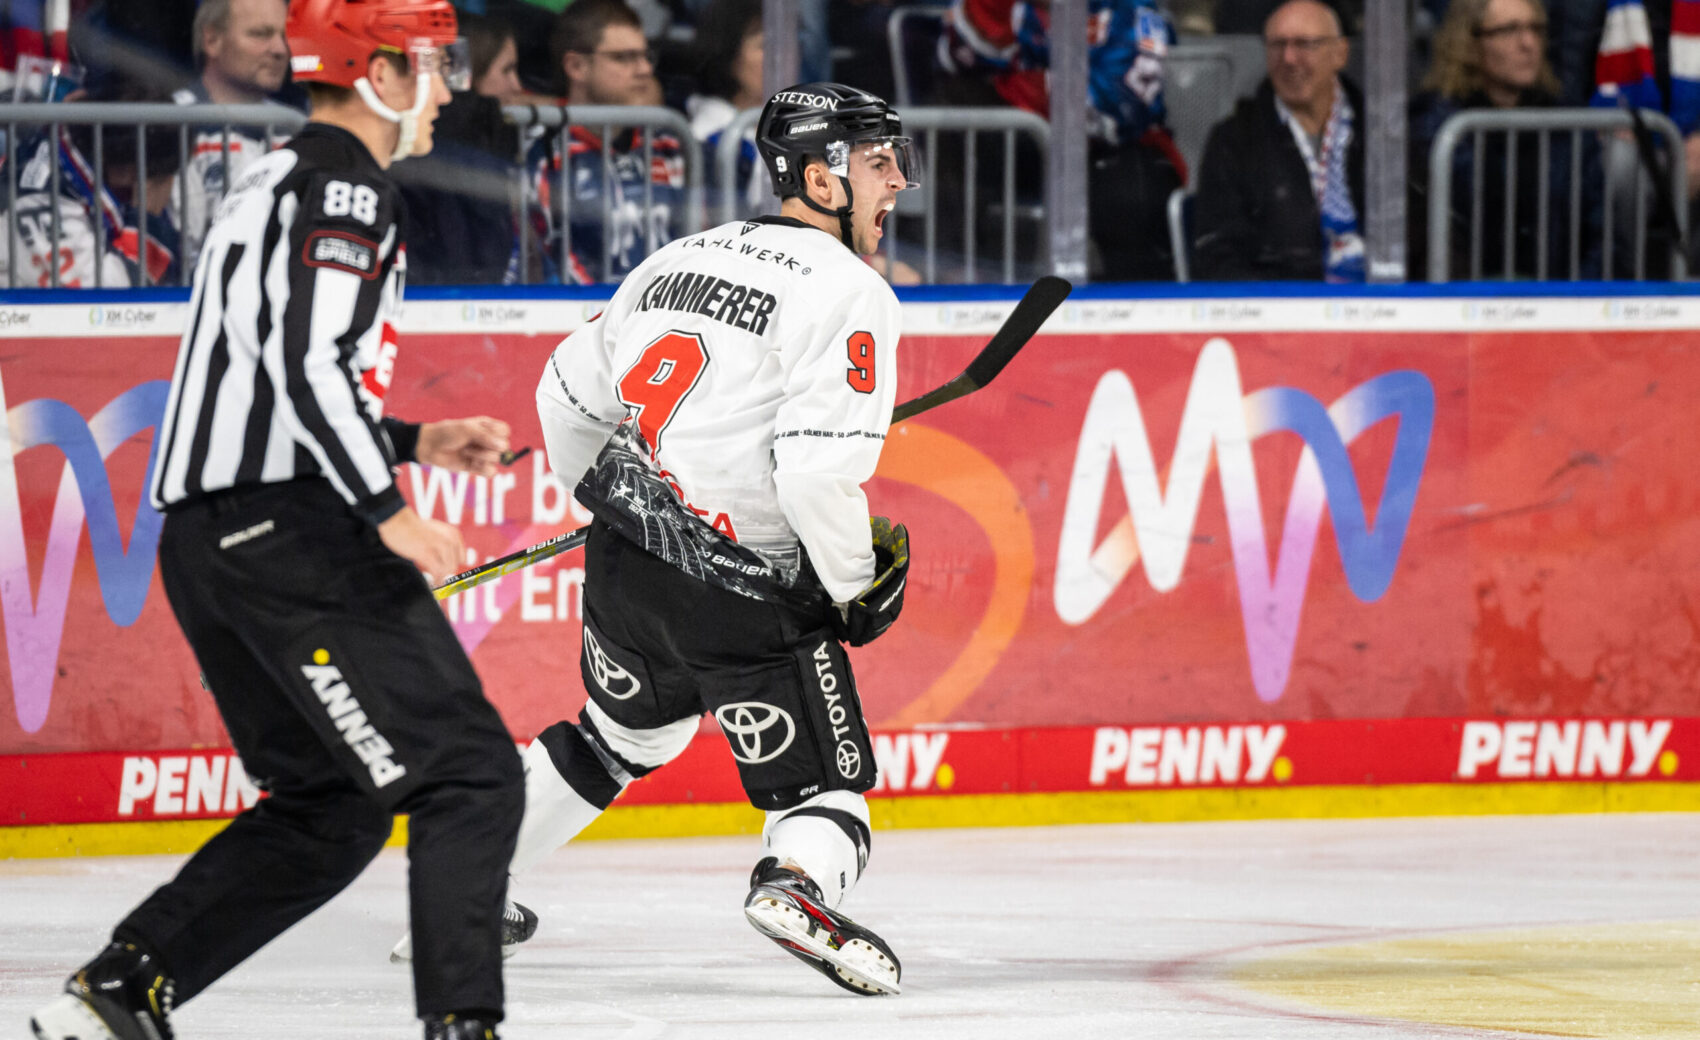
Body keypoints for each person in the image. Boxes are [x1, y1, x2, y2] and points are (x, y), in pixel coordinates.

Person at [28, 2, 526, 1039]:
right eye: (432, 65)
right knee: (470, 772)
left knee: (333, 803)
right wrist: (388, 508)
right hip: (288, 535)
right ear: (378, 73)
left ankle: (120, 990)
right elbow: (308, 361)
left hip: (211, 541)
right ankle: (463, 1025)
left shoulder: (270, 176)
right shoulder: (348, 186)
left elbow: (272, 366)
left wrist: (409, 437)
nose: (446, 89)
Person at [403, 80, 917, 997]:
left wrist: (620, 504)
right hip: (748, 592)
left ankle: (463, 886)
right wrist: (851, 586)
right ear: (821, 179)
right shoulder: (852, 291)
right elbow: (813, 476)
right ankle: (795, 885)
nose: (899, 182)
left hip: (627, 575)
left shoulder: (678, 257)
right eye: (881, 163)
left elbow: (565, 396)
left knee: (616, 739)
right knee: (823, 792)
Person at [934, 0, 1183, 281]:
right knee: (958, 107)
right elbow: (955, 57)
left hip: (1115, 152)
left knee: (1128, 195)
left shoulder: (1134, 12)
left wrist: (1013, 83)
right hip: (1035, 146)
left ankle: (1137, 302)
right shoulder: (1020, 7)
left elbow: (1117, 108)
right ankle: (953, 272)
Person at [1407, 0, 1597, 279]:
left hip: (1559, 297)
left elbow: (1602, 236)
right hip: (1467, 298)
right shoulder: (1433, 130)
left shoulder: (1568, 124)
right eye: (1509, 30)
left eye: (1536, 29)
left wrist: (1576, 297)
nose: (1528, 43)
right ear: (1471, 44)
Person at [1192, 0, 1365, 281]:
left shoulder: (1382, 132)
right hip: (1279, 302)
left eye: (1304, 44)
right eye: (1277, 45)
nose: (1289, 58)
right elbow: (1218, 258)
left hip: (1380, 302)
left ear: (1340, 53)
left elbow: (1421, 242)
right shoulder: (1234, 141)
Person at [529, 0, 685, 283]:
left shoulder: (668, 145)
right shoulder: (544, 155)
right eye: (624, 58)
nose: (644, 69)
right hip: (585, 309)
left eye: (646, 55)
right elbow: (553, 262)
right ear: (576, 66)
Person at [170, 0, 295, 277]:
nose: (280, 49)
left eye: (285, 35)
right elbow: (181, 252)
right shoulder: (172, 123)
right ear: (212, 40)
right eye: (260, 34)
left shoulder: (295, 126)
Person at [683, 0, 766, 220]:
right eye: (765, 46)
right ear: (729, 56)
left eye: (790, 42)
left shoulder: (802, 120)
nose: (783, 55)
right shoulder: (708, 138)